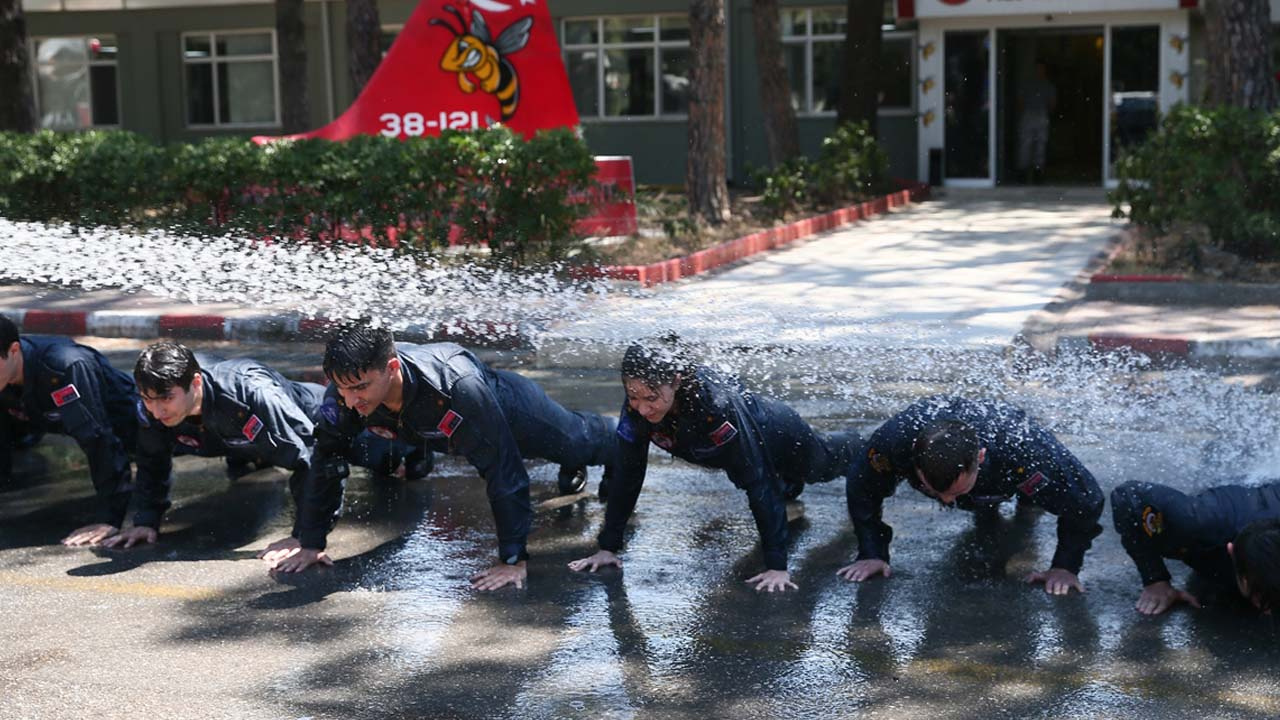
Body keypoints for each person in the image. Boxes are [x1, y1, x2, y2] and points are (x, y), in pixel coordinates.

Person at [273, 324, 618, 590]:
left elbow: (502, 469)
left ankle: (618, 437)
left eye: (359, 388)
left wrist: (512, 560)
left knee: (577, 441)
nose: (349, 400)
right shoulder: (349, 389)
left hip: (512, 411)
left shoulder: (457, 386)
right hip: (436, 432)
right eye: (342, 388)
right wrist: (311, 542)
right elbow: (326, 458)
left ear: (392, 367)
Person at [568, 334, 861, 592]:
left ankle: (857, 445)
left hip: (779, 433)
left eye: (651, 398)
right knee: (776, 482)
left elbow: (758, 481)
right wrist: (608, 546)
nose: (642, 408)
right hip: (729, 453)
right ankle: (791, 484)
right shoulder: (638, 406)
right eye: (633, 396)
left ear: (676, 381)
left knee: (820, 467)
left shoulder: (714, 407)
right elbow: (629, 473)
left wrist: (776, 565)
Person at [104, 342, 418, 550]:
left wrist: (304, 537)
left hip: (317, 418)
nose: (157, 411)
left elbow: (310, 457)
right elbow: (151, 461)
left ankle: (413, 450)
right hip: (241, 441)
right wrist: (145, 521)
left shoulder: (252, 393)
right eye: (148, 399)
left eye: (166, 398)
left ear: (195, 383)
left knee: (401, 463)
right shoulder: (153, 409)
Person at [838, 395, 1104, 595]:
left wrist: (1066, 565)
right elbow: (862, 486)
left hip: (1008, 465)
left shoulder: (1023, 448)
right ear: (914, 462)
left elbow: (1086, 502)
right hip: (959, 455)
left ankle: (1025, 501)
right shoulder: (895, 442)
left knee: (1036, 496)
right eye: (934, 491)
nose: (946, 502)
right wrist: (871, 551)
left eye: (955, 492)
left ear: (980, 458)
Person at [0, 315, 138, 546]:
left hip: (135, 426)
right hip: (43, 418)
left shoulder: (65, 366)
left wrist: (110, 518)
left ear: (14, 350)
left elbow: (99, 439)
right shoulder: (6, 373)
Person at [1111, 480, 1280, 615]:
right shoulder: (1193, 521)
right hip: (1224, 508)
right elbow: (1126, 494)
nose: (1267, 610)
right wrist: (1154, 578)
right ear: (1231, 551)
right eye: (1259, 592)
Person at [1017, 61, 1057, 184]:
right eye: (1038, 69)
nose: (1040, 71)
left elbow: (1052, 103)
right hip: (1029, 114)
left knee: (1040, 144)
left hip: (1041, 115)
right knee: (1026, 144)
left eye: (1042, 69)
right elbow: (1020, 101)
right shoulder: (1027, 84)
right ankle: (1023, 172)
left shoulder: (1048, 86)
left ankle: (1038, 172)